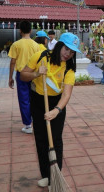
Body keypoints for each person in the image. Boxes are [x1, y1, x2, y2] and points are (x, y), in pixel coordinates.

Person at [20, 32, 80, 188]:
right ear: (59, 45)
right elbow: (23, 76)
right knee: (41, 139)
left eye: (72, 51)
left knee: (55, 140)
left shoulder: (69, 69)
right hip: (38, 100)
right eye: (66, 49)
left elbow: (66, 94)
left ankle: (55, 176)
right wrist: (35, 73)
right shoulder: (41, 56)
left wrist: (57, 110)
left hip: (57, 104)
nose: (68, 54)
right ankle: (46, 175)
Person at [8, 20, 39, 134]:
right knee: (34, 99)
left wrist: (10, 77)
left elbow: (12, 61)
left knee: (24, 99)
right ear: (31, 30)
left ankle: (27, 125)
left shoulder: (16, 44)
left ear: (20, 31)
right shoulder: (36, 45)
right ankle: (36, 122)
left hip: (21, 75)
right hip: (33, 75)